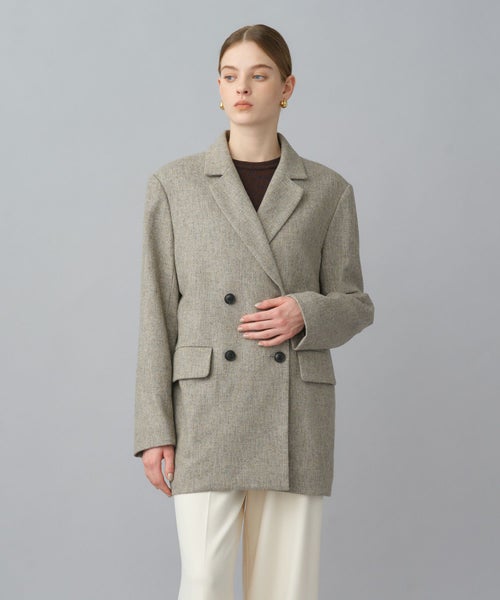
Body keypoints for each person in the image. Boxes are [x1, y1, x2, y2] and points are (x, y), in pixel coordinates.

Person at [134, 23, 374, 600]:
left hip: (293, 409)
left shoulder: (328, 190)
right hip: (205, 411)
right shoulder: (175, 184)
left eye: (259, 75)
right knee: (204, 583)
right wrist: (153, 429)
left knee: (285, 588)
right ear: (218, 88)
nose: (242, 87)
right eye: (230, 76)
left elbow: (356, 303)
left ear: (286, 88)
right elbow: (156, 312)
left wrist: (305, 312)